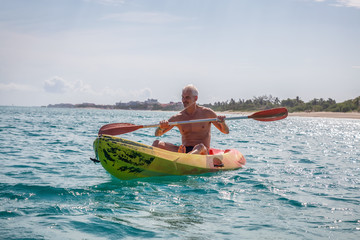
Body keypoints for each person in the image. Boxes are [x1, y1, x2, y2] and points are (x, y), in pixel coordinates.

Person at [152, 84, 229, 154]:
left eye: (187, 97)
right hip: (184, 150)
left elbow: (226, 131)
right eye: (183, 97)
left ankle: (185, 158)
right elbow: (157, 134)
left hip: (202, 151)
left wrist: (223, 123)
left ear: (195, 98)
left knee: (200, 146)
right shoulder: (178, 117)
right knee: (157, 143)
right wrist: (160, 127)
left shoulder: (207, 113)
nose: (184, 100)